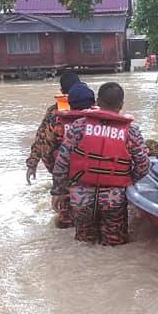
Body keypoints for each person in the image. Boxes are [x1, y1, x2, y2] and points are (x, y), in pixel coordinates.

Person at [51, 82, 150, 245]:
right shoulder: (131, 131)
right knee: (114, 245)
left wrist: (58, 191)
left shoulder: (78, 126)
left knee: (84, 245)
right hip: (114, 198)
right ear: (121, 104)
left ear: (97, 101)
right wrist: (127, 179)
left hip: (81, 198)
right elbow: (144, 165)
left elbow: (62, 162)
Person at [46, 82, 97, 228]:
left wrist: (57, 188)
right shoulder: (106, 121)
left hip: (69, 186)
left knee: (69, 229)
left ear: (69, 103)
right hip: (104, 189)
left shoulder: (56, 121)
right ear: (94, 102)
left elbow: (48, 152)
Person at [26, 72, 80, 184]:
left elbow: (41, 138)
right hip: (86, 169)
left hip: (60, 170)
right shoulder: (93, 110)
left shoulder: (53, 113)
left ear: (61, 91)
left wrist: (32, 164)